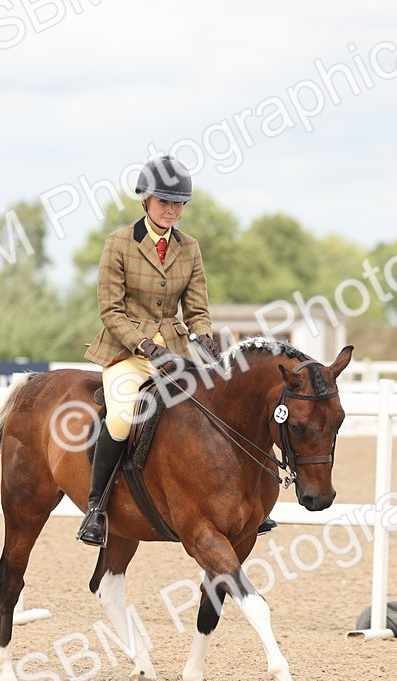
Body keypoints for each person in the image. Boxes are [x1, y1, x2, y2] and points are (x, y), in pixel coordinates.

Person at [77, 156, 275, 547]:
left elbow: (198, 309)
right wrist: (147, 346)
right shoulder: (119, 243)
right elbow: (110, 310)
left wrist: (204, 339)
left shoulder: (190, 247)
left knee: (221, 407)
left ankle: (248, 504)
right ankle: (96, 508)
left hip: (177, 352)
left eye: (178, 203)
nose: (172, 209)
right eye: (164, 202)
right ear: (145, 202)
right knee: (121, 414)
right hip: (127, 353)